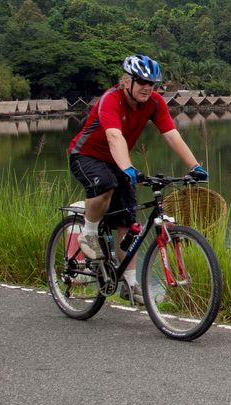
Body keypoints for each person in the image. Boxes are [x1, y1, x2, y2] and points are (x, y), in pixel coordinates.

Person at [68, 54, 208, 304]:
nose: (147, 88)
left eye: (152, 84)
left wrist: (194, 166)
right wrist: (128, 168)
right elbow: (114, 137)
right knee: (106, 185)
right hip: (86, 155)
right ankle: (88, 233)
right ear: (126, 81)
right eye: (141, 82)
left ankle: (130, 283)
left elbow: (171, 134)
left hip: (116, 160)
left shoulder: (154, 103)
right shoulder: (110, 100)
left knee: (128, 221)